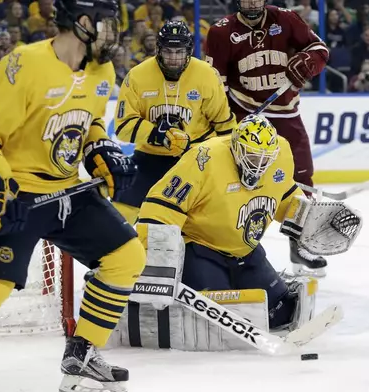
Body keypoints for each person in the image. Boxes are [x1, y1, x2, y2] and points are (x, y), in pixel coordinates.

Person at [0, 0, 146, 390]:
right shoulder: (23, 65)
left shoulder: (101, 69)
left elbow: (89, 123)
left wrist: (102, 151)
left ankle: (82, 355)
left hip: (66, 193)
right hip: (14, 193)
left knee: (125, 255)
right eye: (108, 24)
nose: (115, 34)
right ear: (82, 23)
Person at [134, 114, 316, 346]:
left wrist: (308, 219)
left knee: (281, 315)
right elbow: (162, 206)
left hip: (246, 251)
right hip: (201, 249)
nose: (258, 165)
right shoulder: (204, 158)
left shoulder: (281, 152)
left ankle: (275, 283)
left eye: (264, 159)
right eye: (251, 156)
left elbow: (284, 195)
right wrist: (155, 266)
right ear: (236, 147)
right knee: (216, 321)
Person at [204, 0, 330, 278]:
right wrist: (223, 126)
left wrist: (310, 60)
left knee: (302, 180)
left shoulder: (286, 19)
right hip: (245, 116)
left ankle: (301, 247)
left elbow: (320, 49)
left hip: (287, 116)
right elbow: (215, 86)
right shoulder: (221, 32)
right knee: (234, 184)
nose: (252, 3)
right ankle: (231, 250)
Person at [112, 20, 236, 225]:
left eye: (180, 52)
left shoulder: (206, 74)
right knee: (119, 215)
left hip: (195, 157)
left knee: (209, 221)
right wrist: (156, 134)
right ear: (158, 50)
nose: (174, 58)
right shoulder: (137, 76)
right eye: (168, 51)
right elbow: (123, 128)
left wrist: (229, 162)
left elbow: (223, 125)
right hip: (150, 157)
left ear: (189, 50)